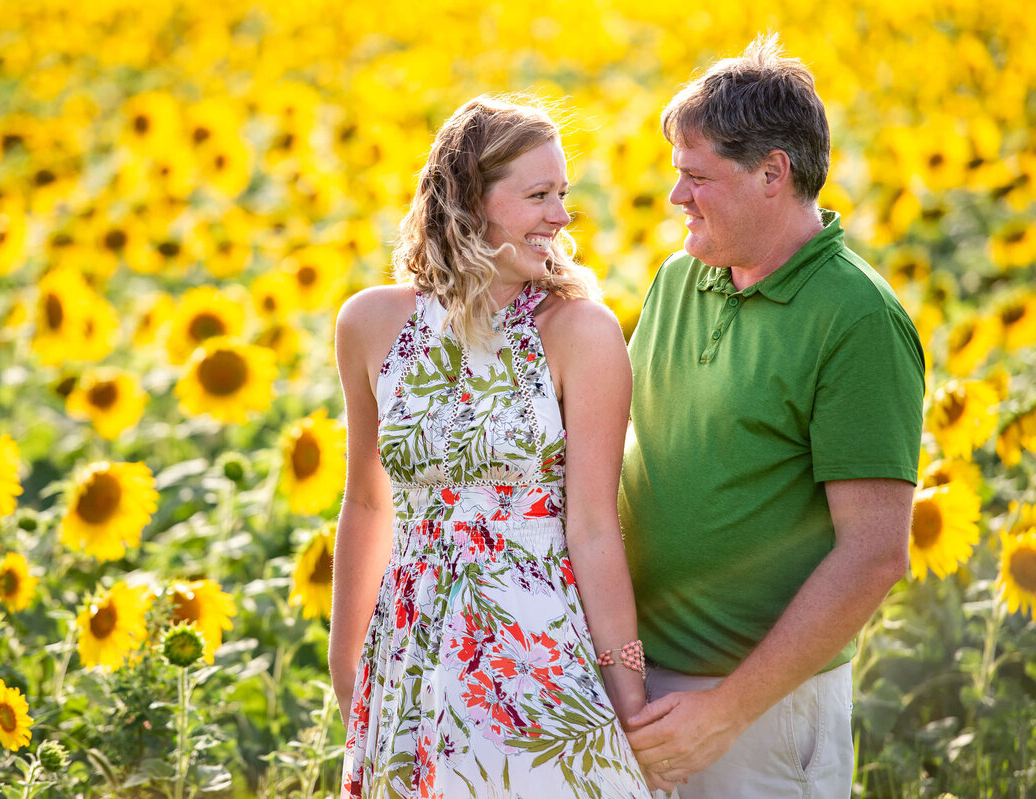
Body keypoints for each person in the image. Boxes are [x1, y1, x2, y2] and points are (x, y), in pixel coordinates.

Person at [619, 35, 926, 798]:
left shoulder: (858, 318)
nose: (675, 200)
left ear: (772, 173)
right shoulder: (679, 280)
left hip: (761, 710)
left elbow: (876, 553)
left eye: (695, 178)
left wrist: (725, 712)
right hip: (635, 689)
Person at [330, 95, 653, 798]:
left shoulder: (581, 333)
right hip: (408, 656)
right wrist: (346, 656)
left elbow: (595, 526)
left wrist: (629, 694)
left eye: (562, 194)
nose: (561, 216)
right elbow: (365, 501)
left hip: (537, 668)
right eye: (539, 194)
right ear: (470, 200)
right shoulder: (369, 323)